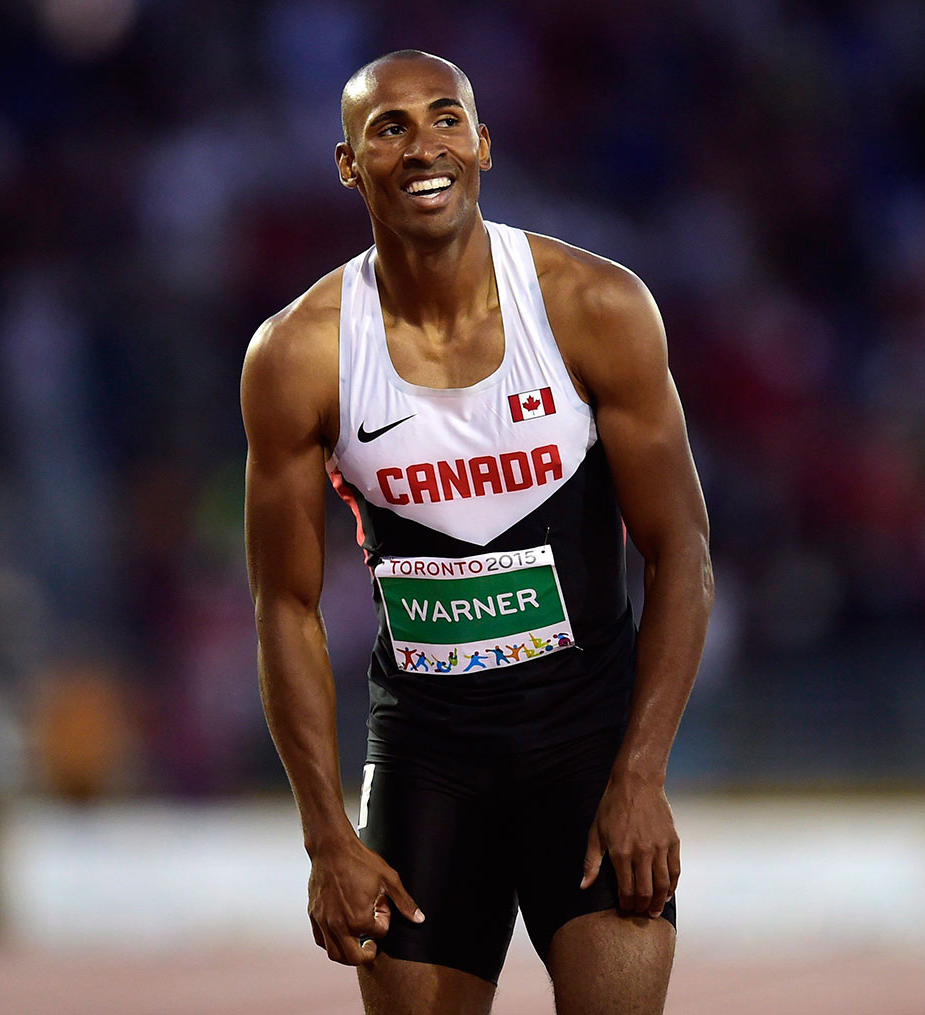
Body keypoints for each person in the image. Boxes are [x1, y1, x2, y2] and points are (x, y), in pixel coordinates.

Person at [241, 49, 713, 1015]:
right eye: (391, 128)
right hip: (428, 758)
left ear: (483, 144)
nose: (425, 147)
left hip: (586, 746)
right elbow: (284, 605)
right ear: (348, 165)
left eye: (446, 119)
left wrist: (641, 774)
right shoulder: (299, 354)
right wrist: (326, 836)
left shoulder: (593, 307)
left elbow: (682, 553)